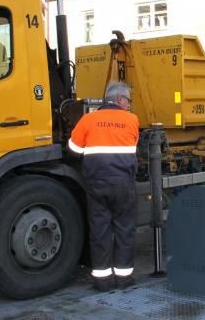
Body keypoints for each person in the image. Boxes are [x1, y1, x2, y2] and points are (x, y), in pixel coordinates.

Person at [68, 81, 140, 292]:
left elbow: (73, 147)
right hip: (123, 185)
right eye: (128, 100)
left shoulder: (88, 119)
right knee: (124, 229)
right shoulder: (132, 120)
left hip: (96, 184)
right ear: (118, 100)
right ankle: (124, 278)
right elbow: (132, 146)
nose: (129, 105)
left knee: (99, 230)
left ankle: (102, 280)